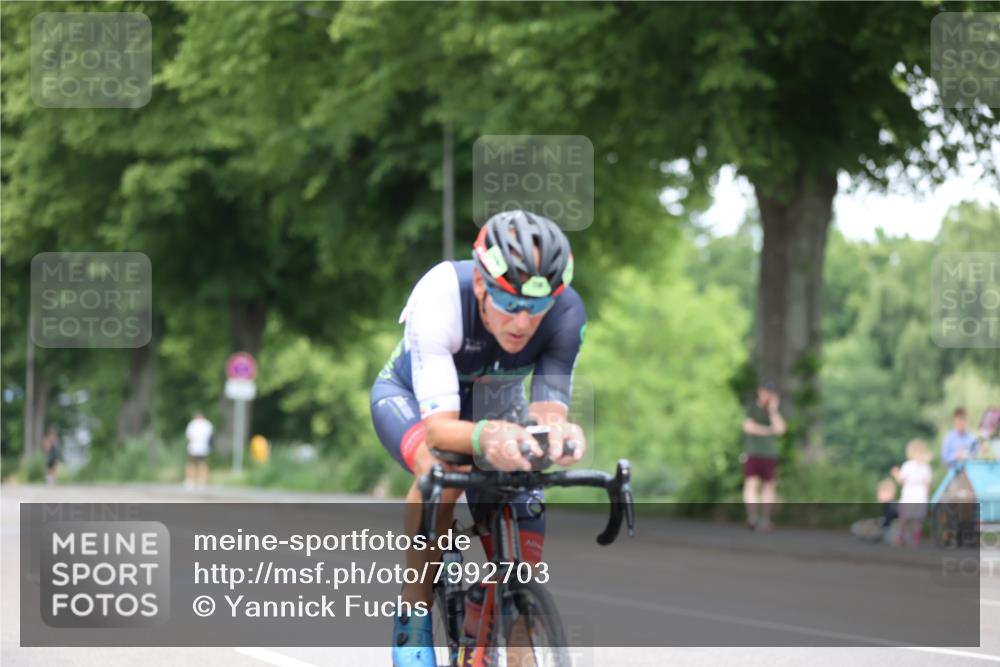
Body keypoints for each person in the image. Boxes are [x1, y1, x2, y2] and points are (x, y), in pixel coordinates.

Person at [370, 210, 587, 667]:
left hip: (493, 402)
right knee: (442, 469)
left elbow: (548, 413)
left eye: (536, 308)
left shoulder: (566, 313)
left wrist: (562, 437)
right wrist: (487, 436)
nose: (523, 323)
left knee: (525, 488)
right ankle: (413, 614)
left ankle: (504, 610)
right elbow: (440, 427)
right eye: (511, 305)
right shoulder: (441, 295)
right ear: (482, 287)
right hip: (413, 399)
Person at [741, 383, 786, 532]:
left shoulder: (774, 410)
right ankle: (752, 518)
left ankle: (765, 519)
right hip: (753, 452)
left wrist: (773, 411)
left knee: (769, 486)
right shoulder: (752, 407)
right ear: (760, 392)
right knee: (751, 484)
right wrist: (769, 430)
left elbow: (780, 430)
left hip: (769, 453)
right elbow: (748, 428)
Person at [892, 439, 933, 547]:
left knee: (904, 518)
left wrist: (895, 473)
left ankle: (900, 538)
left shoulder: (907, 465)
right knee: (917, 521)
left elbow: (901, 480)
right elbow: (928, 484)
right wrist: (927, 497)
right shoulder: (926, 467)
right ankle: (916, 539)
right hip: (921, 496)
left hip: (909, 496)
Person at [184, 411, 213, 490]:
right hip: (204, 447)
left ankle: (190, 481)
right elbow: (210, 436)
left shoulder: (193, 424)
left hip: (193, 447)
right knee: (203, 464)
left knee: (191, 464)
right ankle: (202, 482)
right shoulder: (207, 424)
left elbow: (188, 436)